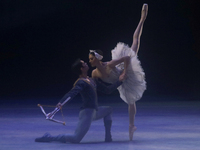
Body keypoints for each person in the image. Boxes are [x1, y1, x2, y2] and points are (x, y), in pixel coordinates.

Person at [88, 4, 148, 141]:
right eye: (89, 59)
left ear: (97, 59)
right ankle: (131, 126)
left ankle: (142, 18)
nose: (90, 61)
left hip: (125, 71)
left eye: (91, 59)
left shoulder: (109, 64)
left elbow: (126, 58)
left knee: (135, 43)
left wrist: (125, 73)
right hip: (119, 81)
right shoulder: (94, 74)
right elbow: (94, 87)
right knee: (130, 100)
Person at [35, 59, 125, 143]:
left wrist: (119, 81)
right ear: (82, 69)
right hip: (87, 113)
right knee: (76, 139)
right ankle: (49, 137)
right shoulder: (81, 82)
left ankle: (108, 137)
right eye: (84, 64)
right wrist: (61, 102)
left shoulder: (92, 80)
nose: (86, 64)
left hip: (94, 111)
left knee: (109, 110)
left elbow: (107, 90)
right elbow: (72, 93)